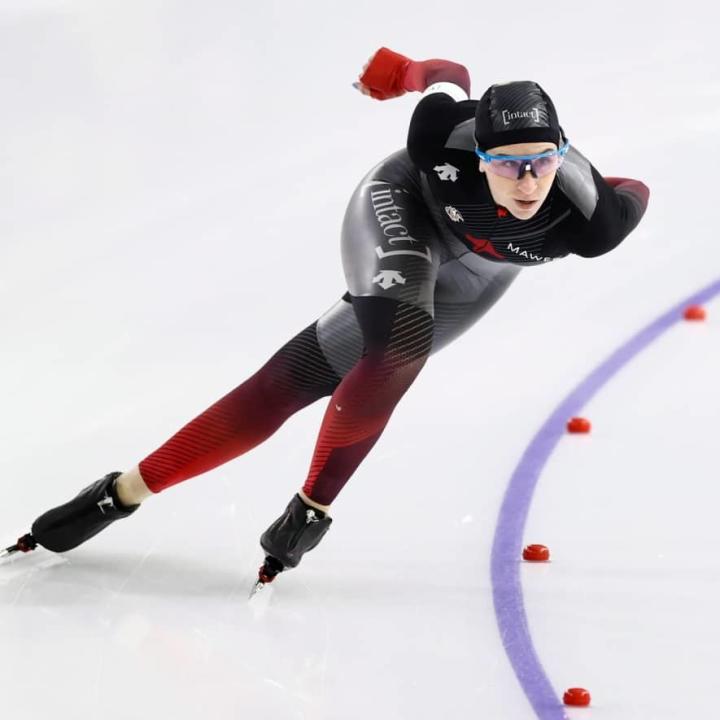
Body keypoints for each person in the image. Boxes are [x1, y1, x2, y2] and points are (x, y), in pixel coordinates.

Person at [5, 47, 650, 591]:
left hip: (479, 274)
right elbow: (448, 76)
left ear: (561, 152)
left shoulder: (590, 220)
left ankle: (152, 493)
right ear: (478, 155)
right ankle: (240, 507)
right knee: (400, 344)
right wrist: (398, 71)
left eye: (541, 159)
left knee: (301, 378)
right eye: (507, 162)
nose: (527, 179)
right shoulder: (439, 137)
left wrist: (591, 172)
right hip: (403, 208)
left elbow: (634, 191)